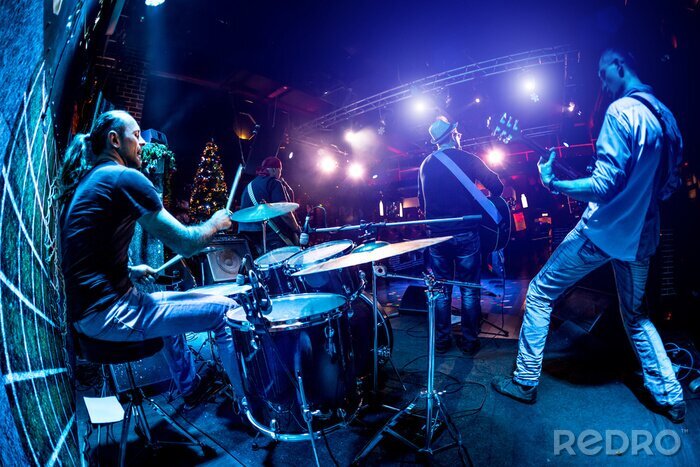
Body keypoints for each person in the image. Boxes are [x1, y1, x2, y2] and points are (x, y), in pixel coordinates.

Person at [492, 49, 686, 423]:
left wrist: (554, 181)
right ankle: (672, 397)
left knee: (539, 292)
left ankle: (525, 381)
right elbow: (668, 186)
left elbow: (604, 184)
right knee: (637, 316)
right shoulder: (667, 118)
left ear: (619, 65)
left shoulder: (620, 112)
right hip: (641, 238)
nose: (602, 82)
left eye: (602, 73)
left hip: (601, 233)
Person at [59, 110, 244, 409]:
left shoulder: (92, 181)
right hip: (110, 313)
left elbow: (88, 255)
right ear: (115, 140)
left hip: (90, 313)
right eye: (136, 135)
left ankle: (190, 386)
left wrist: (131, 270)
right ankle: (250, 406)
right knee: (228, 311)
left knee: (165, 299)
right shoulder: (124, 178)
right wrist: (215, 222)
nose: (143, 143)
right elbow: (186, 244)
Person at [418, 117, 504, 355]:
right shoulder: (468, 158)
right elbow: (497, 187)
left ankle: (442, 342)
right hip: (466, 233)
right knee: (468, 288)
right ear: (453, 135)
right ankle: (469, 342)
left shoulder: (425, 164)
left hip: (437, 238)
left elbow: (421, 202)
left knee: (441, 290)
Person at [237, 156, 301, 256]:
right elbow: (285, 213)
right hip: (271, 236)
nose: (280, 175)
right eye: (280, 171)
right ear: (275, 169)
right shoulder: (274, 183)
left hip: (248, 235)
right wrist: (296, 228)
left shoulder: (249, 186)